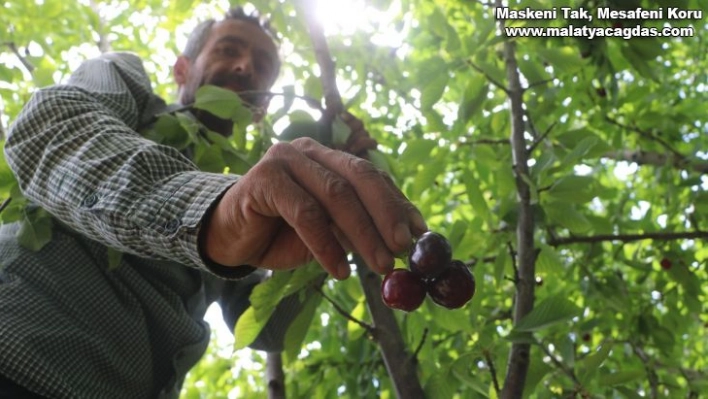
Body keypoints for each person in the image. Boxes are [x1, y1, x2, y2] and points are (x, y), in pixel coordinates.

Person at [0, 6, 427, 399]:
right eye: (228, 50)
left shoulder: (247, 197)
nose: (245, 68)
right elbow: (51, 126)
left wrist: (321, 219)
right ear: (182, 69)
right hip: (18, 350)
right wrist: (211, 215)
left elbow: (269, 329)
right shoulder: (129, 83)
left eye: (262, 67)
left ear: (258, 112)